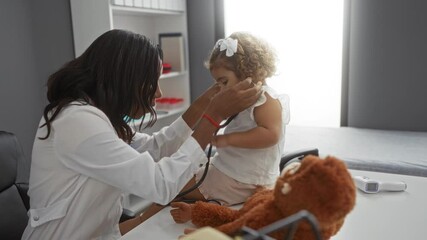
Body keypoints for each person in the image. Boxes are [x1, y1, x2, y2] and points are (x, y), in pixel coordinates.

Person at [21, 29, 261, 240]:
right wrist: (213, 117)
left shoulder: (98, 116)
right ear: (125, 80)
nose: (158, 93)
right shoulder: (77, 122)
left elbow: (156, 148)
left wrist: (206, 102)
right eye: (152, 82)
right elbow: (160, 184)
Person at [162, 31, 290, 224]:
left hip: (243, 179)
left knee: (174, 185)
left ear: (249, 73)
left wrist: (227, 139)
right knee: (176, 178)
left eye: (224, 82)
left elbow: (271, 135)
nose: (221, 88)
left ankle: (199, 211)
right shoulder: (244, 100)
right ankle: (140, 221)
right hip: (232, 169)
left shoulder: (266, 100)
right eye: (218, 83)